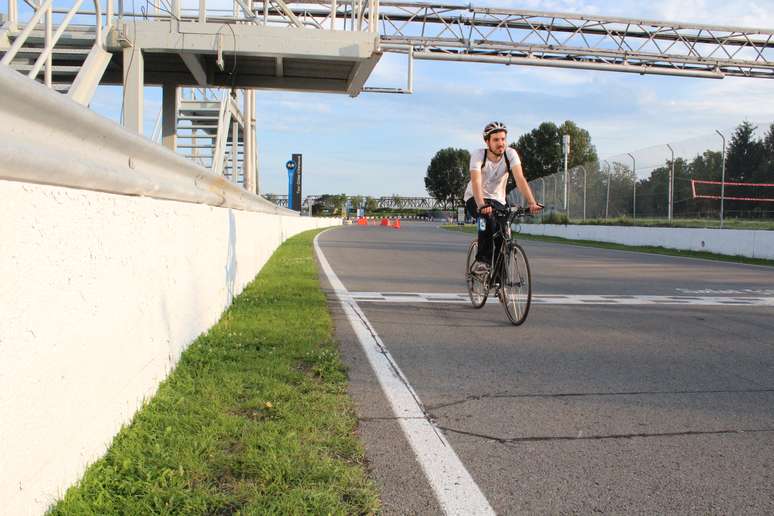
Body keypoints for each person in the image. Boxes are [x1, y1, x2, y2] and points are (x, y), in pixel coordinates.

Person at [464, 121, 542, 274]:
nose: (501, 143)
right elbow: (476, 182)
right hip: (475, 197)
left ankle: (500, 281)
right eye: (496, 140)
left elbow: (520, 179)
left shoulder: (510, 154)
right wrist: (481, 205)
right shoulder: (478, 155)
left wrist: (532, 202)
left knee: (503, 235)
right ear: (487, 142)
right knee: (485, 220)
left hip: (498, 200)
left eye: (503, 139)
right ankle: (483, 261)